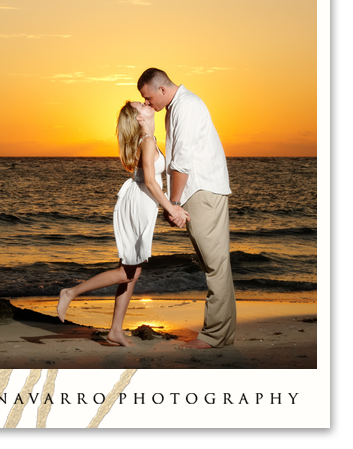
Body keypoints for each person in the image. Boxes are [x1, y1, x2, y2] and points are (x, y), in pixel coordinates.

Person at [57, 100, 190, 346]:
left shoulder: (149, 140)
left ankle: (115, 330)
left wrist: (169, 205)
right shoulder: (148, 142)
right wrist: (171, 208)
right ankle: (70, 293)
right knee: (127, 272)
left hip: (141, 202)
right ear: (140, 117)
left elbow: (152, 181)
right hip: (139, 202)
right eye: (141, 104)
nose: (145, 102)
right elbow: (151, 181)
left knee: (131, 272)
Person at [137, 68, 235, 349]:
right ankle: (222, 335)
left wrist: (174, 203)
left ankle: (214, 336)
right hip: (199, 190)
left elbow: (182, 161)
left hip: (201, 191)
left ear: (162, 90)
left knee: (215, 264)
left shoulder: (186, 106)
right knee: (213, 263)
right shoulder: (176, 107)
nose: (147, 103)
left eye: (148, 97)